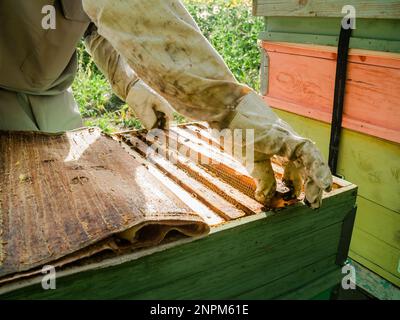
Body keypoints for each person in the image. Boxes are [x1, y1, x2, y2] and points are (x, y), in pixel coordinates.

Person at [0, 0, 332, 208]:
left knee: (74, 206)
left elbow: (97, 27)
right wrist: (227, 108)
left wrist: (130, 84)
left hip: (54, 96)